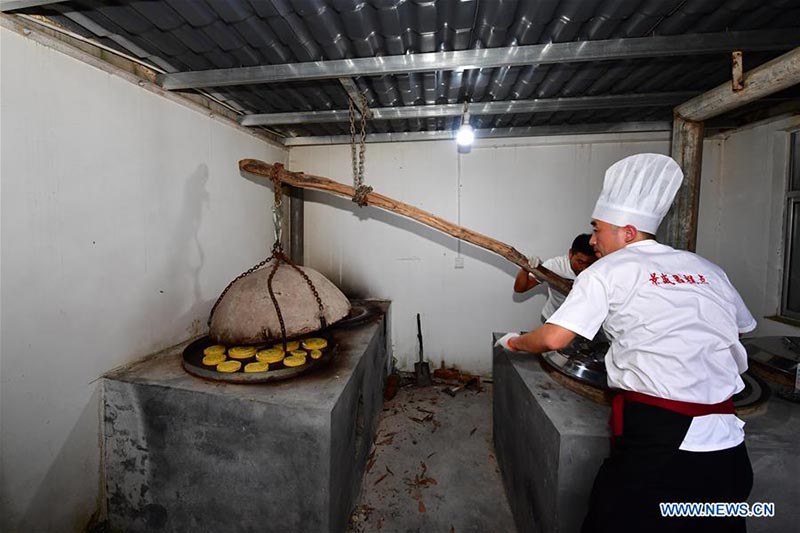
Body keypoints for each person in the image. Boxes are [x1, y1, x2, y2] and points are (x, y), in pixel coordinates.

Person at [497, 153, 756, 533]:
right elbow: (741, 327)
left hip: (660, 449)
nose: (592, 238)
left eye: (598, 229)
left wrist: (515, 343)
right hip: (729, 452)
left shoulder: (606, 271)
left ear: (628, 233)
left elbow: (553, 337)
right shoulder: (707, 269)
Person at [514, 233, 597, 322]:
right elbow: (520, 288)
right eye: (580, 262)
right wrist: (525, 268)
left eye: (589, 263)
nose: (584, 268)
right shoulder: (555, 265)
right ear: (570, 254)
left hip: (583, 322)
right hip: (553, 318)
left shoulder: (599, 269)